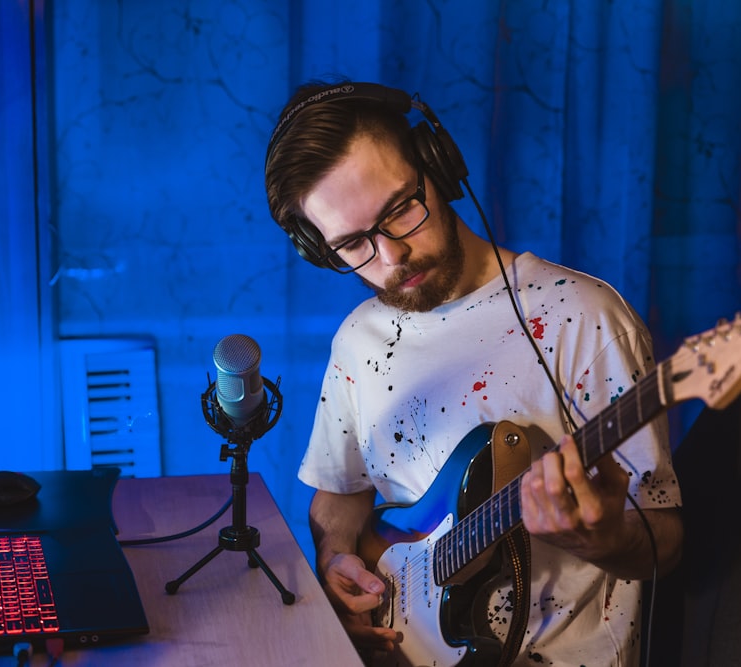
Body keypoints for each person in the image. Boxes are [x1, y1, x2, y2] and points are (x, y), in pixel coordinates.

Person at [264, 81, 684, 666]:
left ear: (438, 166)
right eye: (353, 244)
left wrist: (608, 539)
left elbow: (664, 538)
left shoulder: (582, 319)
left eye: (399, 211)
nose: (389, 258)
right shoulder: (359, 341)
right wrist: (336, 559)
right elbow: (340, 496)